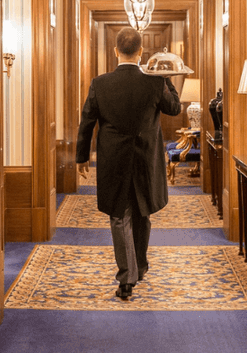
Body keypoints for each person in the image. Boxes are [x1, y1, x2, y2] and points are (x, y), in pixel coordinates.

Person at [75, 27, 182, 301]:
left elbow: (87, 121)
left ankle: (127, 276)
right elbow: (174, 108)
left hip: (113, 160)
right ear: (141, 52)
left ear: (115, 51)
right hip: (146, 160)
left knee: (119, 216)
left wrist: (81, 157)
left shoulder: (100, 83)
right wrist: (166, 78)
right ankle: (137, 269)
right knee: (142, 213)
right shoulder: (154, 82)